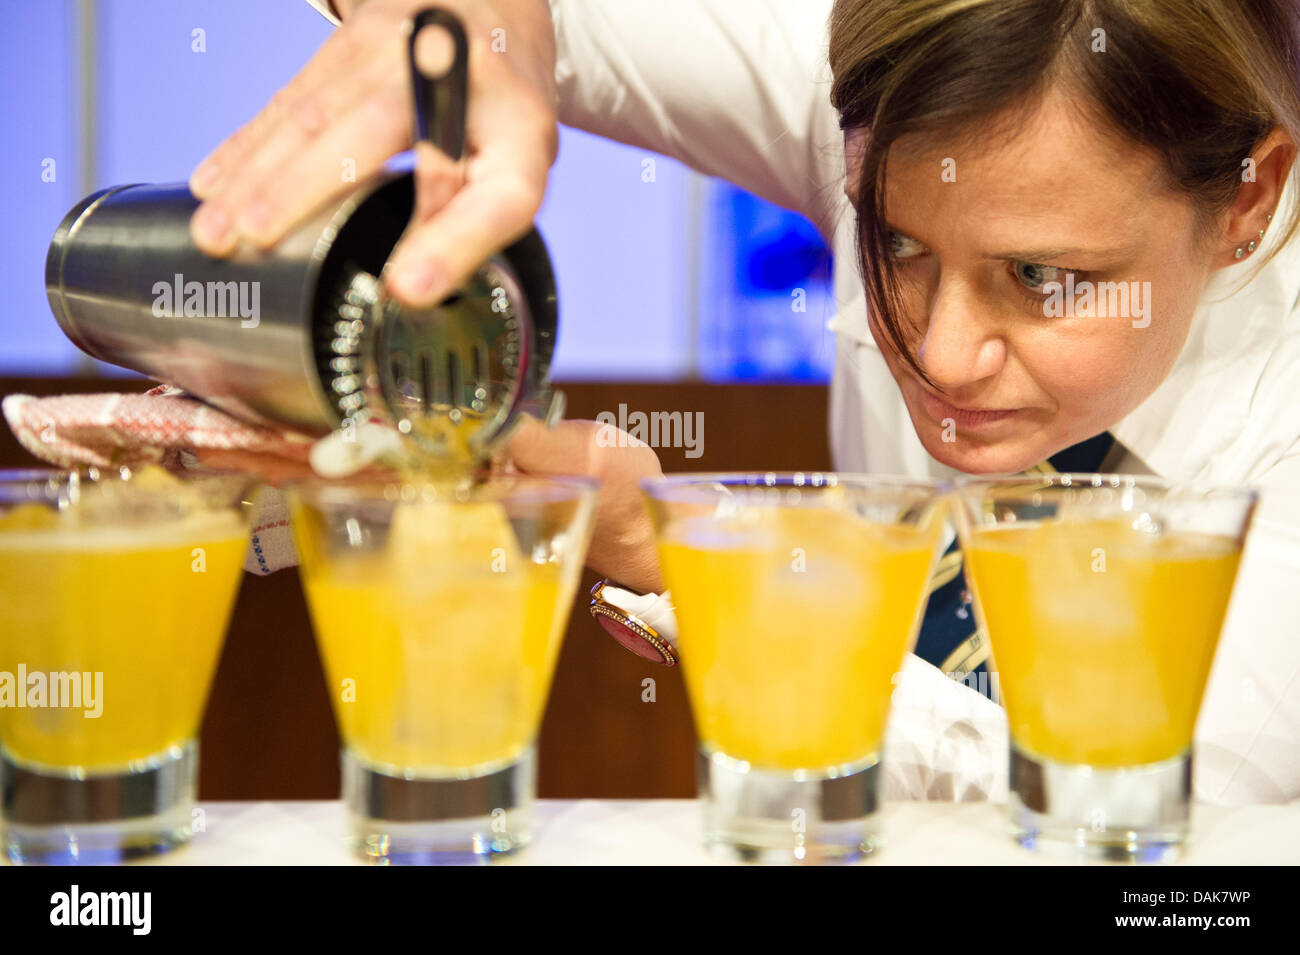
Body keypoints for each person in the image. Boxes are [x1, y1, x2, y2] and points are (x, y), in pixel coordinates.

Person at [190, 0, 1300, 805]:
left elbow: (1145, 825)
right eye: (895, 243)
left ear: (1247, 195)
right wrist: (477, 33)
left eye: (1044, 278)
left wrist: (687, 556)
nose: (942, 356)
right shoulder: (863, 100)